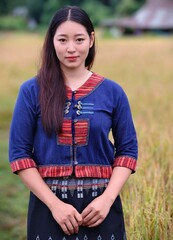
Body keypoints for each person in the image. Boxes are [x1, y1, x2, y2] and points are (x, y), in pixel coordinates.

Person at [9, 5, 138, 240]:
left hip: (100, 208)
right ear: (52, 41)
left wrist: (107, 199)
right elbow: (19, 155)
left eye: (79, 39)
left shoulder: (112, 92)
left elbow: (127, 151)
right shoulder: (31, 91)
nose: (71, 48)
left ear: (91, 40)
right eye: (62, 40)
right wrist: (55, 205)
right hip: (48, 208)